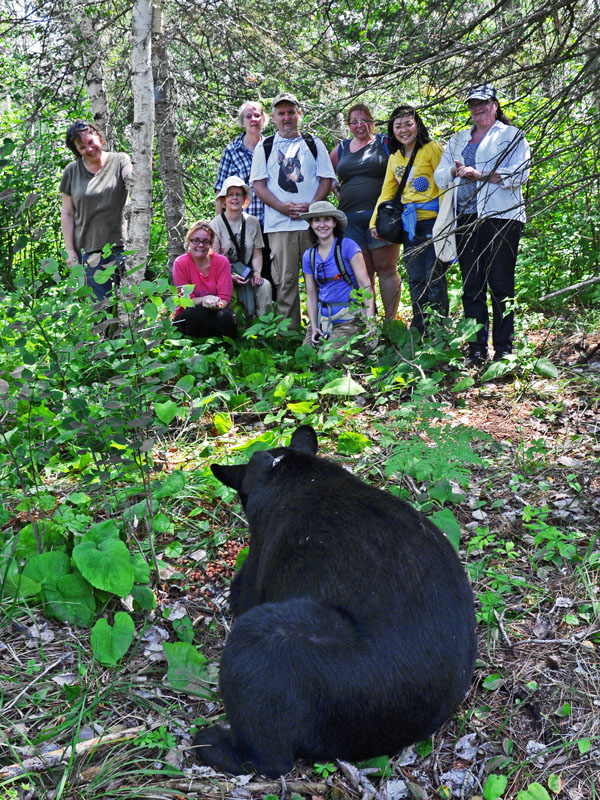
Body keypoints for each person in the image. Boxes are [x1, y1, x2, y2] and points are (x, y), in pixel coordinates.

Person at [434, 85, 530, 364]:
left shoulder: (511, 135)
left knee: (500, 283)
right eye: (473, 104)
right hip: (465, 219)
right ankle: (477, 349)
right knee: (472, 285)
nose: (478, 108)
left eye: (483, 103)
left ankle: (504, 349)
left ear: (495, 105)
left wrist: (480, 175)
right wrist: (455, 170)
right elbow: (440, 176)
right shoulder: (459, 138)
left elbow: (519, 175)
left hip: (501, 218)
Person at [250, 92, 336, 330]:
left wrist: (313, 208)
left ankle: (324, 330)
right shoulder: (265, 146)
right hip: (280, 226)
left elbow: (326, 179)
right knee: (286, 281)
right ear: (274, 118)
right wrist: (281, 207)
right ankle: (289, 336)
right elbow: (258, 185)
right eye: (281, 113)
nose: (286, 117)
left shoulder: (313, 143)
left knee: (319, 278)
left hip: (313, 226)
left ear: (299, 114)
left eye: (291, 112)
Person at [370, 106, 448, 334]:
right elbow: (387, 192)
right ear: (392, 130)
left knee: (434, 276)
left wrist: (445, 220)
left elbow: (445, 185)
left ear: (417, 125)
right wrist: (374, 222)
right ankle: (420, 328)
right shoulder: (395, 157)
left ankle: (439, 330)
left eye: (408, 124)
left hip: (433, 222)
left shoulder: (432, 148)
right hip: (409, 225)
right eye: (398, 126)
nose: (403, 130)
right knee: (415, 277)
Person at [330, 103, 401, 321]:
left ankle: (391, 323)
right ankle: (369, 324)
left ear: (372, 121)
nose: (359, 125)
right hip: (350, 219)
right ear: (349, 125)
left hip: (381, 217)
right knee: (362, 273)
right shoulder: (342, 148)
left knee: (386, 269)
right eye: (354, 122)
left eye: (363, 120)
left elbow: (402, 166)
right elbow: (326, 174)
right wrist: (336, 190)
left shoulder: (384, 143)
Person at [60, 120, 132, 301]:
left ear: (99, 137)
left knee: (129, 305)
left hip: (123, 247)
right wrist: (70, 251)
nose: (89, 149)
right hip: (89, 252)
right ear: (77, 151)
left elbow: (131, 176)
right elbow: (67, 214)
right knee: (101, 309)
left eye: (91, 142)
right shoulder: (71, 171)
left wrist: (141, 170)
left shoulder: (120, 160)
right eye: (82, 147)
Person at [300, 201, 375, 362]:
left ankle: (365, 345)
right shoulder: (309, 256)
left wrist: (370, 322)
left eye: (327, 219)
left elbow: (365, 286)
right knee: (305, 358)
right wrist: (314, 327)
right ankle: (348, 350)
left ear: (334, 223)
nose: (322, 225)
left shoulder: (348, 246)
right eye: (317, 220)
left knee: (324, 360)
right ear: (311, 224)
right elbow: (311, 295)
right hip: (323, 319)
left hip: (350, 319)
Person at [214, 101, 274, 289]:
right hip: (242, 227)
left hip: (272, 223)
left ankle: (269, 307)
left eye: (257, 115)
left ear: (264, 119)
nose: (253, 119)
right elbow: (220, 190)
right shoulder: (231, 151)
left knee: (270, 275)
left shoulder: (272, 146)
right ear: (242, 121)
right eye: (248, 116)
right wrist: (221, 226)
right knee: (240, 274)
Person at [210, 176, 272, 319]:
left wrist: (257, 273)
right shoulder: (215, 224)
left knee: (265, 286)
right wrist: (229, 277)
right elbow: (213, 258)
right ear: (224, 200)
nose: (234, 198)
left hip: (247, 273)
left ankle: (264, 325)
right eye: (230, 195)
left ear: (244, 198)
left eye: (238, 194)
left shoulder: (253, 222)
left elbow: (257, 253)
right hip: (224, 275)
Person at [172, 221, 237, 339]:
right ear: (189, 241)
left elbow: (225, 298)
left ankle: (223, 348)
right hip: (189, 313)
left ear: (211, 244)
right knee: (197, 313)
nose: (200, 245)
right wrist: (205, 300)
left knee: (228, 317)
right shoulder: (180, 263)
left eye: (206, 241)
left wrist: (215, 304)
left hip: (216, 310)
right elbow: (186, 300)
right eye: (196, 240)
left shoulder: (222, 262)